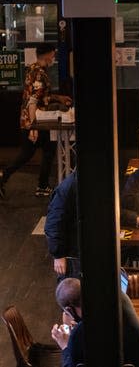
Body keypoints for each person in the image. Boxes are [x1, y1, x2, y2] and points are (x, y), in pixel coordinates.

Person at [0, 43, 72, 198]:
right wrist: (34, 127)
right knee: (30, 153)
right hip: (36, 121)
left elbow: (39, 96)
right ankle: (7, 177)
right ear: (47, 55)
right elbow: (33, 101)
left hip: (33, 119)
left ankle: (42, 185)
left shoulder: (32, 69)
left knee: (44, 151)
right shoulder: (40, 74)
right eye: (53, 54)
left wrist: (58, 97)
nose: (54, 58)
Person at [50, 278, 139, 367]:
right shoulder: (119, 296)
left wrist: (65, 346)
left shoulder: (79, 334)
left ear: (69, 310)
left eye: (67, 313)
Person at [44, 170, 80, 280]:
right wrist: (58, 255)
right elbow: (53, 224)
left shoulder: (79, 183)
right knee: (72, 293)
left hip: (78, 251)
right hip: (72, 256)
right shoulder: (69, 186)